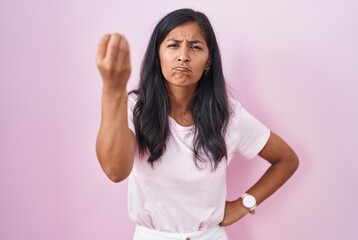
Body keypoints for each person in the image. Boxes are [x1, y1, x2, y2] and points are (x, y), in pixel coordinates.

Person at [95, 8, 299, 240]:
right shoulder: (135, 107)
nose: (183, 56)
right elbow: (115, 171)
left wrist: (244, 204)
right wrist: (113, 90)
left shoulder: (228, 114)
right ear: (158, 54)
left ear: (209, 60)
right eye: (173, 45)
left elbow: (287, 159)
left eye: (195, 46)